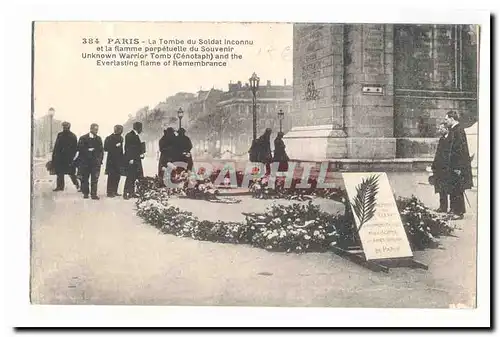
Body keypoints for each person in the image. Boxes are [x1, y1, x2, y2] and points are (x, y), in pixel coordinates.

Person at [444, 110, 473, 220]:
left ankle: (459, 212)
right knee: (452, 188)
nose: (445, 121)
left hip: (457, 166)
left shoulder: (459, 130)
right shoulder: (454, 130)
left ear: (452, 119)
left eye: (446, 119)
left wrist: (458, 167)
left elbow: (460, 150)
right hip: (452, 165)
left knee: (457, 189)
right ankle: (453, 210)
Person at [76, 123, 104, 200]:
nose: (96, 131)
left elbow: (101, 150)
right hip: (85, 162)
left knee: (95, 179)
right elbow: (79, 148)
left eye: (97, 129)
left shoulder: (98, 139)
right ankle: (86, 193)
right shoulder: (83, 138)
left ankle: (94, 194)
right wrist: (87, 150)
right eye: (95, 129)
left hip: (95, 163)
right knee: (85, 178)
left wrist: (100, 160)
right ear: (91, 129)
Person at [51, 121, 80, 192]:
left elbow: (75, 148)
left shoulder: (73, 136)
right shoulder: (60, 135)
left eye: (66, 126)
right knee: (59, 173)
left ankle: (77, 185)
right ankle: (60, 187)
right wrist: (54, 156)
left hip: (68, 158)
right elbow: (56, 146)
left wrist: (72, 157)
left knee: (71, 173)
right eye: (64, 126)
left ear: (69, 127)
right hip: (60, 157)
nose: (65, 128)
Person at [431, 122, 451, 213]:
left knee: (447, 188)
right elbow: (438, 154)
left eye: (441, 129)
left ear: (447, 129)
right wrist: (434, 165)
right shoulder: (441, 139)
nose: (439, 130)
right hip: (439, 167)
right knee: (440, 188)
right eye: (439, 129)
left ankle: (450, 208)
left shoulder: (450, 139)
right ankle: (442, 207)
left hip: (446, 168)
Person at [123, 122, 145, 199]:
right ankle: (125, 193)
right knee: (130, 176)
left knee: (134, 176)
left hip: (136, 159)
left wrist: (141, 153)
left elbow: (136, 147)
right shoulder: (129, 135)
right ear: (138, 128)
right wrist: (130, 158)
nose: (141, 130)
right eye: (141, 128)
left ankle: (132, 193)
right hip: (132, 160)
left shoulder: (135, 135)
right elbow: (128, 148)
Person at [104, 125, 124, 197]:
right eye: (120, 130)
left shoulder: (121, 138)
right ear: (116, 130)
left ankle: (115, 191)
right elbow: (105, 148)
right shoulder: (109, 138)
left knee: (117, 176)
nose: (121, 131)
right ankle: (109, 192)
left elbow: (121, 150)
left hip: (119, 160)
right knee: (111, 176)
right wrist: (114, 146)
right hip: (111, 160)